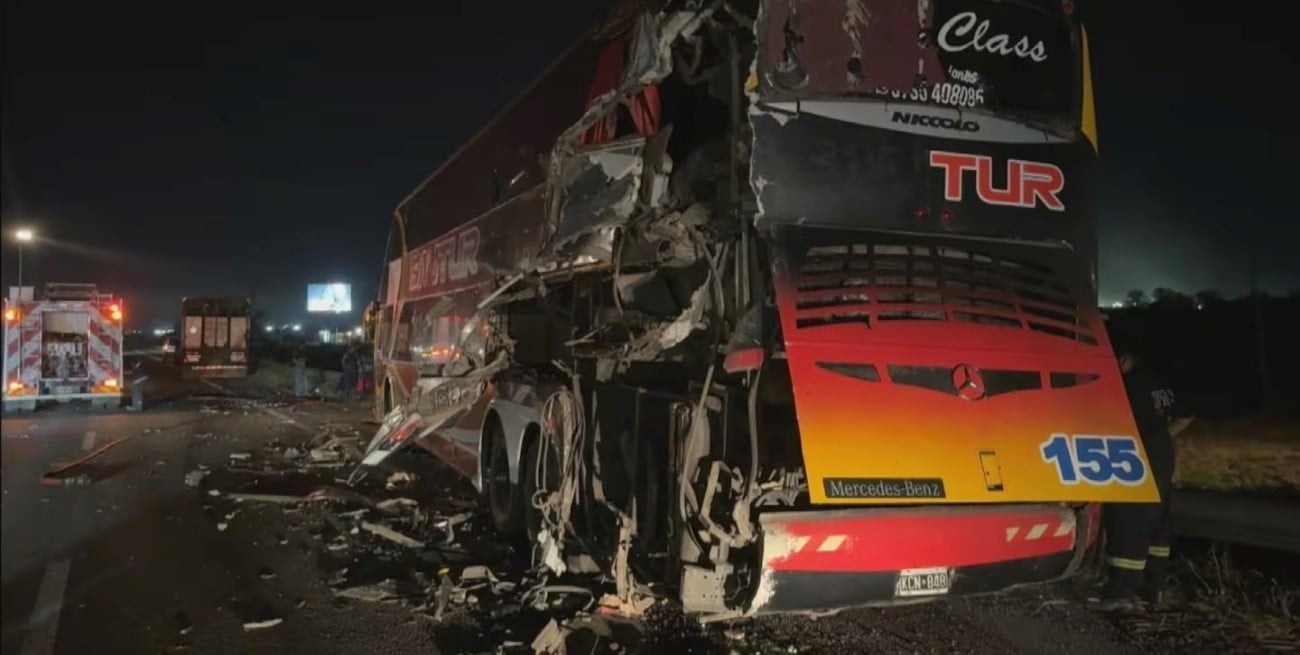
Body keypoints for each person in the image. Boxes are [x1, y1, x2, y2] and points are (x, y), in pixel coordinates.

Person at [1089, 346, 1194, 611]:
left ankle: (1121, 593)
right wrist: (1161, 437)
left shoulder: (1127, 387)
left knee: (1128, 523)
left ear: (1122, 359)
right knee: (1157, 527)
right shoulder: (1160, 381)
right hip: (1161, 458)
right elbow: (1187, 413)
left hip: (1134, 461)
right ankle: (1154, 589)